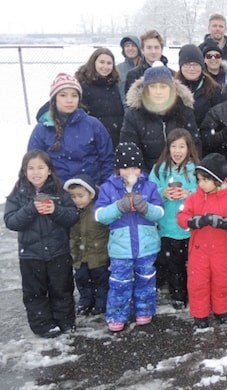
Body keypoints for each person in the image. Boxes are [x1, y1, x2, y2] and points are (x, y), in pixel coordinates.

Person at [4, 150, 79, 338]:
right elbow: (11, 221)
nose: (35, 172)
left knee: (61, 289)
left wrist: (55, 210)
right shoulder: (18, 194)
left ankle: (65, 321)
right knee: (34, 293)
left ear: (49, 170)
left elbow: (72, 216)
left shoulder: (60, 192)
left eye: (40, 167)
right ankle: (43, 325)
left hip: (58, 252)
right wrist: (31, 209)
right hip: (30, 255)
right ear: (24, 171)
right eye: (30, 168)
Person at [94, 142, 164, 332]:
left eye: (134, 167)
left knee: (146, 279)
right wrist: (118, 207)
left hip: (147, 245)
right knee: (119, 282)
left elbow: (159, 213)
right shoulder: (109, 188)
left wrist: (145, 207)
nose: (130, 171)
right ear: (118, 168)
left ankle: (144, 310)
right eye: (125, 167)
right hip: (120, 247)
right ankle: (117, 314)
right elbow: (99, 215)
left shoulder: (149, 186)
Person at [177, 153, 227, 328]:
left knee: (221, 282)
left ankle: (221, 310)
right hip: (199, 251)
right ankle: (200, 315)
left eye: (205, 180)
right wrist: (194, 221)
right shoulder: (194, 198)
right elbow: (182, 216)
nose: (201, 184)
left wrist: (225, 223)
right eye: (199, 180)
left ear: (216, 180)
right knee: (198, 283)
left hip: (220, 251)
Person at [28, 73, 114, 185]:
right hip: (56, 193)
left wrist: (104, 188)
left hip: (91, 192)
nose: (69, 100)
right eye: (63, 95)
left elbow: (108, 159)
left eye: (74, 95)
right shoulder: (42, 128)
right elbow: (33, 163)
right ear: (54, 99)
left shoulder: (93, 125)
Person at [148, 129, 200, 309]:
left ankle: (195, 293)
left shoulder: (196, 169)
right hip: (168, 227)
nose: (178, 151)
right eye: (174, 146)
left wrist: (188, 194)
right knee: (173, 265)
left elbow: (205, 193)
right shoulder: (159, 169)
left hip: (190, 228)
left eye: (182, 146)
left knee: (194, 265)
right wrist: (163, 193)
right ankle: (177, 294)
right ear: (168, 148)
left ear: (189, 148)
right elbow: (149, 194)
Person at [121, 61, 199, 173]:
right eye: (153, 86)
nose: (158, 92)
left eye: (163, 87)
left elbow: (194, 146)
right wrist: (148, 181)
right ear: (146, 90)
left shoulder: (184, 111)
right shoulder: (134, 115)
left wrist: (184, 174)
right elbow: (129, 152)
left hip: (182, 175)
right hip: (146, 178)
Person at [64, 174, 110, 316]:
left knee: (101, 282)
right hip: (80, 257)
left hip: (98, 256)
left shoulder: (98, 211)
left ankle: (101, 303)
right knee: (82, 281)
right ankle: (85, 301)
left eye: (80, 196)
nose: (77, 200)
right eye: (73, 196)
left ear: (90, 195)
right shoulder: (72, 213)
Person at [75, 47, 125, 149]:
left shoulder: (114, 84)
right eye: (101, 62)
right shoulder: (83, 85)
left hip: (115, 139)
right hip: (94, 140)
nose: (105, 66)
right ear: (94, 62)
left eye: (109, 63)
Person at [175, 44, 225, 127]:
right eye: (187, 64)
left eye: (195, 65)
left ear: (202, 66)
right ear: (181, 66)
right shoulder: (172, 88)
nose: (191, 68)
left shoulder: (214, 89)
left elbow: (220, 119)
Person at [124, 29, 171, 96]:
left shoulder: (172, 74)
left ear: (162, 49)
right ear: (143, 50)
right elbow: (130, 102)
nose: (153, 51)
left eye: (156, 47)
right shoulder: (133, 75)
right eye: (149, 48)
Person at [116, 36, 142, 103]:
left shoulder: (146, 67)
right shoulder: (118, 69)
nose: (130, 48)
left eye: (133, 46)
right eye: (127, 46)